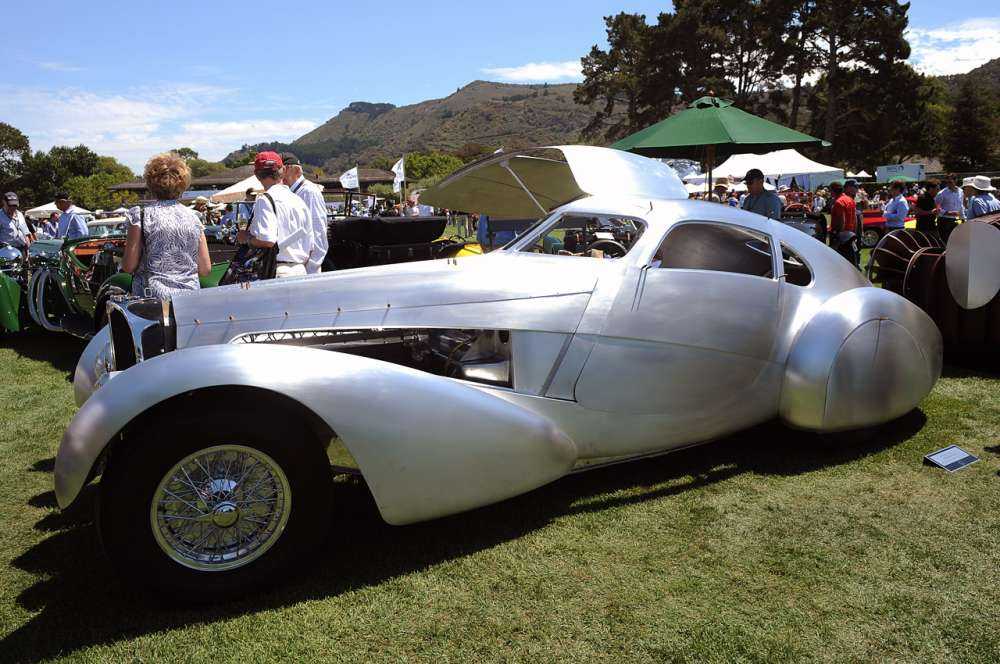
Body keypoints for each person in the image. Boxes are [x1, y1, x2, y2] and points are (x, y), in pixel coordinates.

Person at [122, 153, 211, 299]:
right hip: (189, 298)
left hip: (153, 299)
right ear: (183, 184)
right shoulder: (194, 218)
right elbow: (205, 269)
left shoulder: (141, 216)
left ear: (151, 183)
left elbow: (129, 266)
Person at [237, 151, 312, 278]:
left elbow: (267, 240)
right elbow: (310, 244)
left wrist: (246, 238)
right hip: (301, 269)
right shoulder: (299, 200)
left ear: (257, 175)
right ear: (283, 170)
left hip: (276, 270)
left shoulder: (265, 199)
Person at [281, 153, 328, 274]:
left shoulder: (308, 192)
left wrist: (311, 269)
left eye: (281, 169)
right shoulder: (293, 192)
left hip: (306, 269)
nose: (279, 174)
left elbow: (318, 232)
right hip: (297, 267)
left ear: (293, 170)